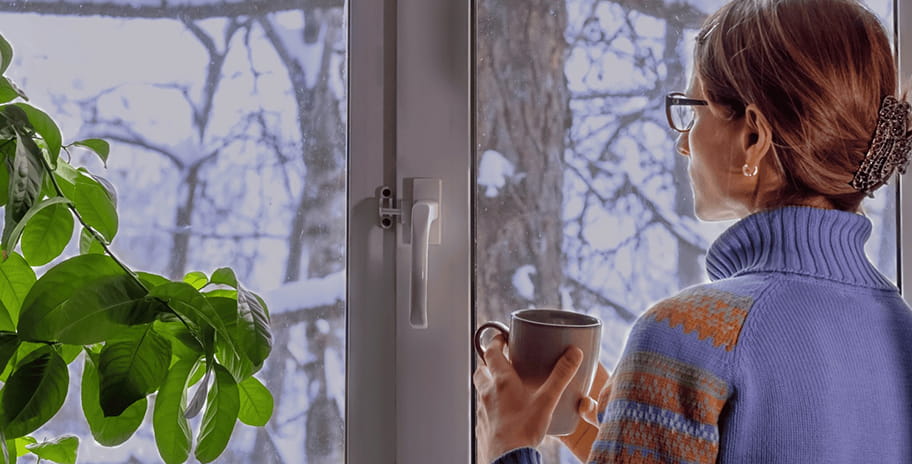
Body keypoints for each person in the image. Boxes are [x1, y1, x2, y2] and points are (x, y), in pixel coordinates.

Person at [473, 0, 912, 462]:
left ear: (753, 138)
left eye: (691, 109)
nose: (683, 141)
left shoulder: (690, 337)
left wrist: (509, 445)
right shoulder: (899, 332)